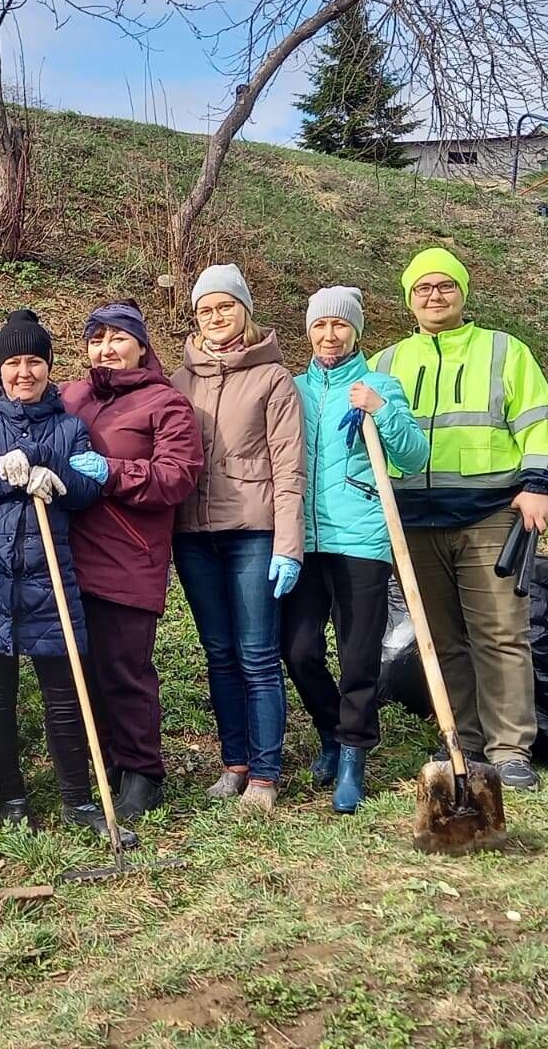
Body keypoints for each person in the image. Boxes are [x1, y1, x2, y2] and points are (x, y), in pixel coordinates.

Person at [371, 248, 548, 791]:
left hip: (489, 515)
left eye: (444, 286)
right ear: (409, 298)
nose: (434, 296)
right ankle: (465, 739)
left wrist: (537, 485)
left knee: (500, 632)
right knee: (440, 637)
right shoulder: (386, 363)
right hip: (413, 522)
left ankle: (510, 750)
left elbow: (541, 423)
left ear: (462, 292)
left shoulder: (504, 351)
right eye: (422, 289)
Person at [0, 310, 129, 842]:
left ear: (49, 367)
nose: (25, 372)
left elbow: (90, 490)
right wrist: (1, 474)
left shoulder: (69, 425)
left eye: (36, 362)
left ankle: (78, 799)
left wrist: (58, 476)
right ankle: (12, 797)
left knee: (65, 691)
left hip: (48, 575)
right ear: (0, 368)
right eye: (15, 362)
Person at [281, 288, 428, 814]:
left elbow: (413, 457)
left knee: (358, 655)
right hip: (301, 539)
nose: (329, 335)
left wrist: (381, 410)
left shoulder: (379, 385)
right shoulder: (292, 389)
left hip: (361, 539)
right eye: (319, 326)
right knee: (297, 650)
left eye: (339, 326)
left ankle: (352, 756)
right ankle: (330, 731)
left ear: (356, 332)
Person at [59, 300, 202, 823]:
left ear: (141, 345)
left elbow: (179, 475)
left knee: (125, 668)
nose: (106, 348)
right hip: (68, 553)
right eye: (96, 339)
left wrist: (112, 472)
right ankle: (107, 765)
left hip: (127, 555)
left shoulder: (165, 403)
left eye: (118, 337)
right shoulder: (72, 395)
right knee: (85, 672)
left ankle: (143, 772)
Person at [171, 265, 305, 814]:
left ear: (244, 311)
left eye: (225, 306)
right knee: (219, 653)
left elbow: (290, 469)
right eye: (205, 309)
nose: (216, 317)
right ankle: (235, 763)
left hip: (254, 533)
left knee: (257, 655)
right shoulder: (181, 380)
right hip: (193, 537)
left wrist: (288, 546)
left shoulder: (274, 379)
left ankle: (266, 775)